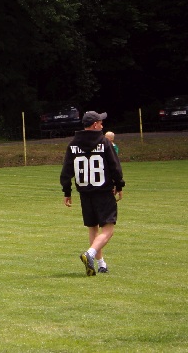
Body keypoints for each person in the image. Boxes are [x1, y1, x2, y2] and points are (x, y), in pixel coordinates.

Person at [60, 110, 125, 276]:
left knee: (93, 229)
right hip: (103, 191)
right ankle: (89, 254)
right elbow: (115, 166)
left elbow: (66, 171)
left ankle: (101, 264)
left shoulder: (73, 144)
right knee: (108, 230)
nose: (102, 125)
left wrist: (67, 191)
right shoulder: (104, 142)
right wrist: (119, 185)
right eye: (101, 123)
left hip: (85, 193)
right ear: (95, 124)